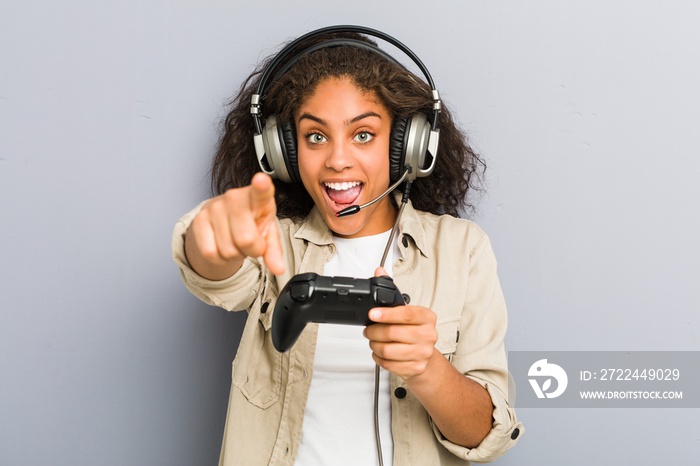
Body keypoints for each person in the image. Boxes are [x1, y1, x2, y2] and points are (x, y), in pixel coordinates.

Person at [172, 26, 523, 466]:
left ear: (407, 146)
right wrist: (213, 239)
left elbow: (485, 437)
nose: (337, 159)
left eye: (363, 135)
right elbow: (216, 274)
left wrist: (427, 368)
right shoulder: (274, 243)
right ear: (282, 152)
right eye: (315, 137)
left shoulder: (461, 250)